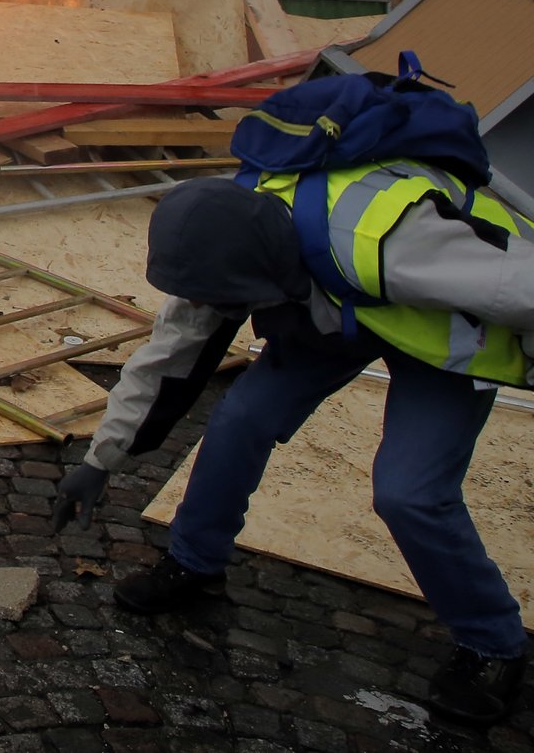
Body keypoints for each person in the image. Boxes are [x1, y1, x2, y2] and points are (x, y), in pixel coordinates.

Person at [52, 173, 534, 726]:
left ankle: (493, 645)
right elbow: (165, 359)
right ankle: (194, 560)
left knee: (410, 492)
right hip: (333, 302)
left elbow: (523, 291)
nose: (214, 307)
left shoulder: (395, 243)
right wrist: (98, 461)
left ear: (255, 275)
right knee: (240, 417)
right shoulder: (221, 246)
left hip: (439, 322)